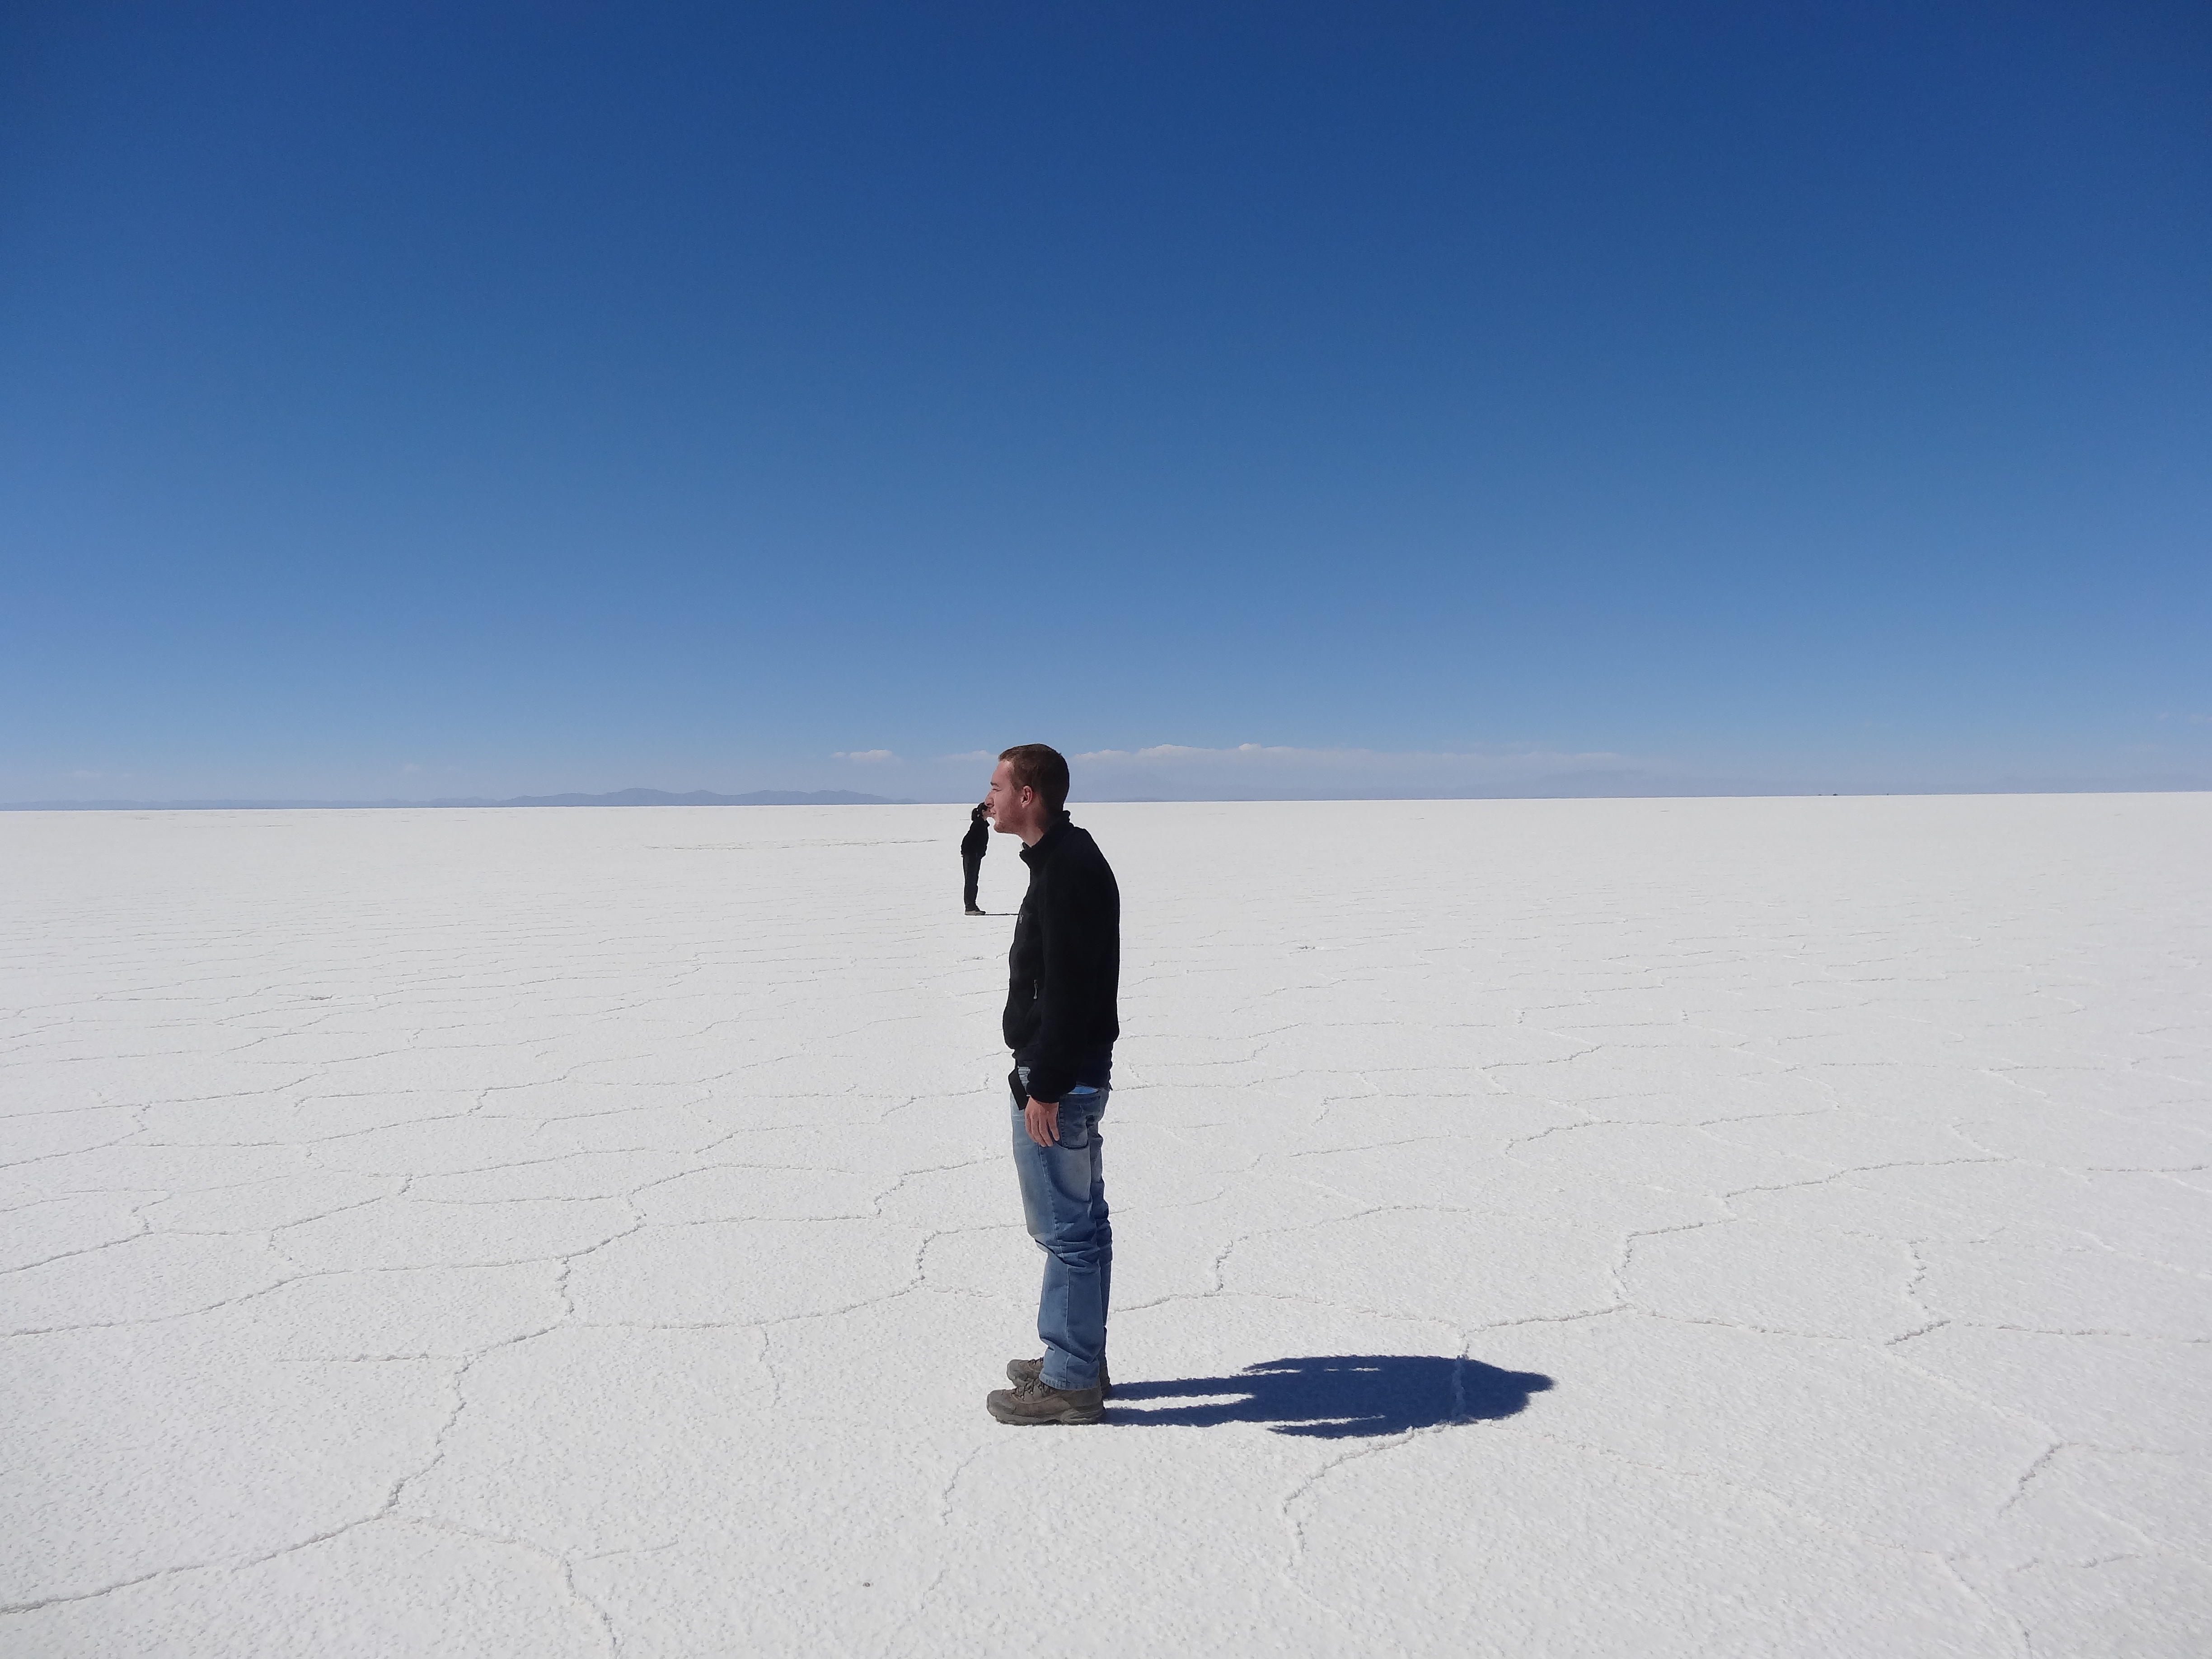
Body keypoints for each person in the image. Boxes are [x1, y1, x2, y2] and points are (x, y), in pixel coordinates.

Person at [982, 743, 1120, 1426]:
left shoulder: (1066, 870)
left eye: (996, 788)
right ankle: (1079, 1359)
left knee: (1066, 1231)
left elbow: (1068, 990)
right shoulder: (1063, 859)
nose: (988, 800)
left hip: (1061, 1078)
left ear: (1028, 795)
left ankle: (1070, 1380)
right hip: (1071, 1070)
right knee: (1083, 1225)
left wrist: (1048, 1088)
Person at [960, 801, 989, 914]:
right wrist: (965, 851)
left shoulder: (983, 823)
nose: (992, 811)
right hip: (972, 855)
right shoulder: (978, 824)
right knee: (971, 881)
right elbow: (968, 839)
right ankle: (970, 907)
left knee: (973, 880)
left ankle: (973, 906)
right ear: (984, 812)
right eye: (989, 810)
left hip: (975, 855)